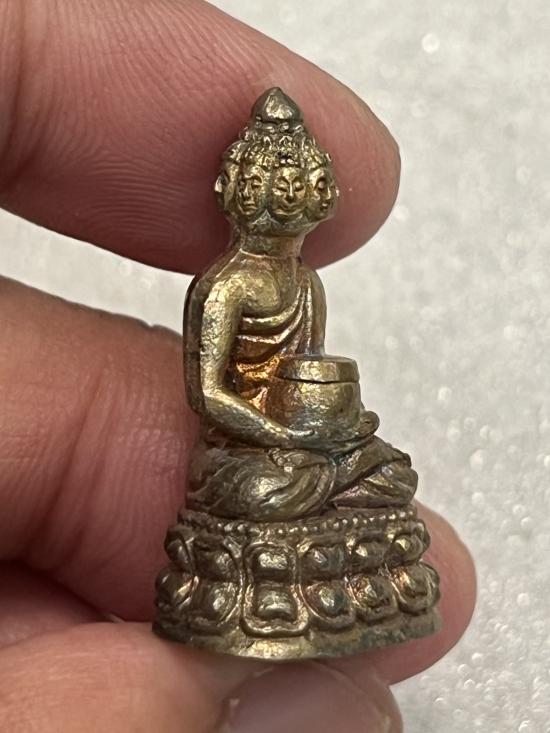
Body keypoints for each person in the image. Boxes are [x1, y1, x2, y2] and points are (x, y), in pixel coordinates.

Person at [0, 1, 476, 731]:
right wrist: (280, 435)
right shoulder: (225, 284)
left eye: (297, 190)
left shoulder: (306, 284)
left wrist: (336, 427)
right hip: (241, 455)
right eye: (270, 190)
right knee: (266, 491)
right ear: (238, 195)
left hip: (303, 446)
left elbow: (305, 377)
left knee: (386, 474)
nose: (284, 206)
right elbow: (209, 392)